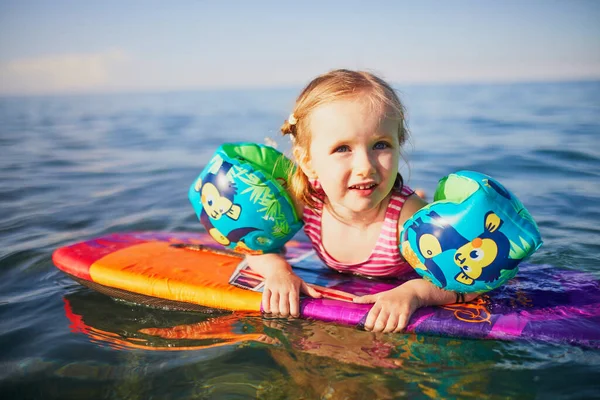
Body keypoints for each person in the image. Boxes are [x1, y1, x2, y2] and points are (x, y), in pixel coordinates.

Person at [247, 69, 478, 333]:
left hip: (402, 257)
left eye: (380, 145)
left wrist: (415, 292)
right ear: (308, 162)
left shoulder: (409, 219)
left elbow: (470, 279)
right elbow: (256, 244)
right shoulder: (307, 200)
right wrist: (279, 272)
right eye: (342, 149)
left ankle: (420, 196)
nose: (365, 166)